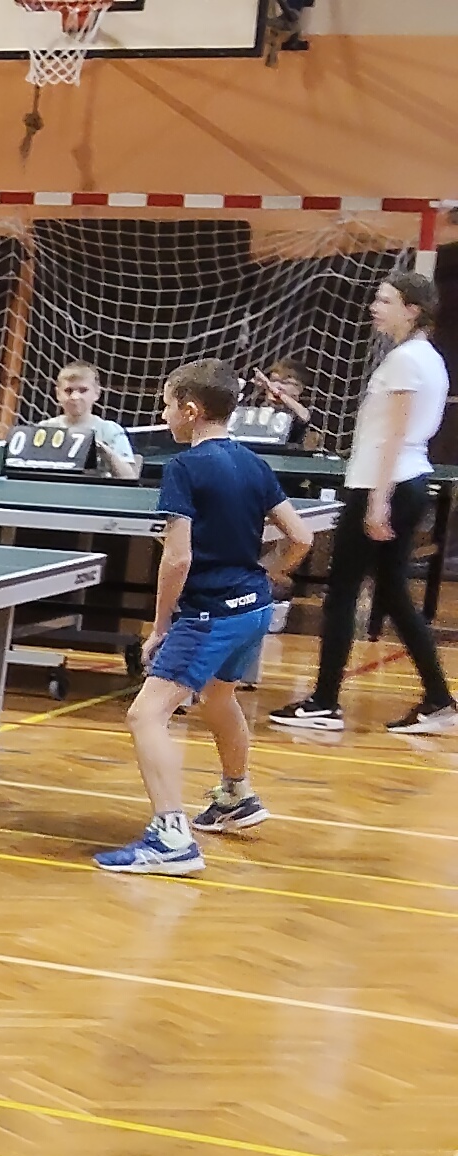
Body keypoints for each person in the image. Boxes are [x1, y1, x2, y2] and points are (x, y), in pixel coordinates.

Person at [95, 361, 313, 874]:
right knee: (218, 697)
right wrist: (268, 574)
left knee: (145, 715)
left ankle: (171, 838)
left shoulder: (184, 468)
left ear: (190, 410)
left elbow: (177, 558)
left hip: (210, 613)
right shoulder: (254, 464)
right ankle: (237, 795)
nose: (163, 415)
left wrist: (160, 626)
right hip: (253, 608)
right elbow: (301, 538)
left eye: (167, 406)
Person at [272, 272, 456, 734]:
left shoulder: (407, 360)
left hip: (384, 485)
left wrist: (377, 501)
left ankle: (324, 702)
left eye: (386, 300)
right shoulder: (425, 358)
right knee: (391, 594)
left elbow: (395, 434)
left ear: (412, 309)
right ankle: (438, 699)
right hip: (398, 483)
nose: (375, 307)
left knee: (343, 593)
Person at [34, 362, 143, 481]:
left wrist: (106, 452)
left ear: (97, 393)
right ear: (58, 394)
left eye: (83, 390)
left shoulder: (110, 430)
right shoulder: (44, 428)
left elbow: (129, 477)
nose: (75, 397)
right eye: (68, 391)